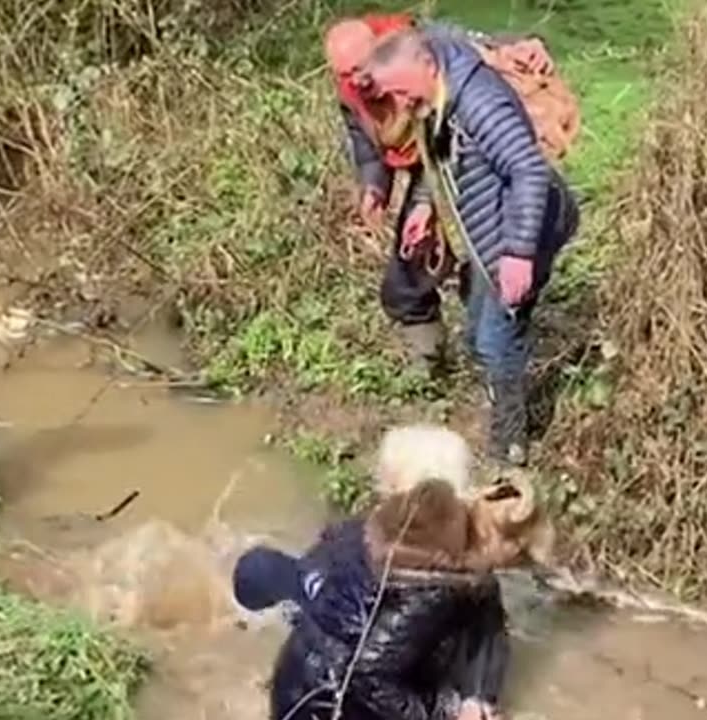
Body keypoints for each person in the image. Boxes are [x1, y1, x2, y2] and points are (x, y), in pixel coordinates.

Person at [352, 24, 579, 467]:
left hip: (524, 232)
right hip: (488, 236)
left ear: (426, 65)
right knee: (477, 336)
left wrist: (518, 255)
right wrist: (422, 208)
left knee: (496, 341)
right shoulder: (431, 95)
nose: (398, 103)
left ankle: (508, 451)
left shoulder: (478, 103)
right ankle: (509, 393)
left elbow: (528, 171)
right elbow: (439, 165)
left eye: (400, 91)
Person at [233, 425, 553, 720]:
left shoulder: (457, 571)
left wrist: (475, 698)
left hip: (343, 668)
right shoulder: (419, 577)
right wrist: (445, 711)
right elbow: (364, 675)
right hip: (332, 689)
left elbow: (487, 629)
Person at [324, 16, 557, 372]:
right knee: (406, 281)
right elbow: (365, 142)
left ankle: (501, 354)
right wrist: (374, 186)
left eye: (359, 68)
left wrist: (526, 44)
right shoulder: (353, 88)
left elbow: (480, 51)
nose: (356, 80)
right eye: (344, 74)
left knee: (487, 271)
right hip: (431, 171)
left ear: (380, 51)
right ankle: (430, 361)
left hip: (465, 165)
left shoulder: (420, 56)